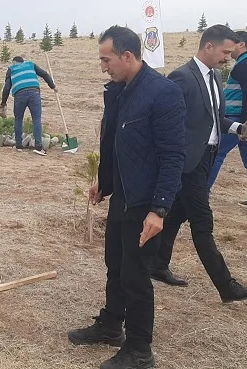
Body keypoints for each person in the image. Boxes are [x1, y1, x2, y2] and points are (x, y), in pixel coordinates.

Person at [67, 26, 186, 369]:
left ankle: (139, 350)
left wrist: (159, 209)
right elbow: (116, 144)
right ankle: (110, 325)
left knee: (135, 275)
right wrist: (105, 183)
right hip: (123, 196)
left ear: (128, 56)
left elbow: (173, 156)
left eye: (107, 60)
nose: (103, 66)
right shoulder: (120, 91)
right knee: (116, 264)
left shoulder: (162, 93)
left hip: (145, 202)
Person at [152, 25, 247, 303]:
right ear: (208, 47)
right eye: (225, 52)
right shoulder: (182, 77)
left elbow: (213, 118)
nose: (228, 57)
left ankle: (157, 264)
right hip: (186, 162)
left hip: (205, 158)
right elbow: (169, 120)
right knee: (202, 222)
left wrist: (238, 128)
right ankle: (227, 286)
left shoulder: (215, 76)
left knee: (177, 213)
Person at [207, 31, 247, 210]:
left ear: (241, 44)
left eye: (233, 44)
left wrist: (243, 124)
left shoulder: (245, 64)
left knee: (217, 153)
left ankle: (202, 192)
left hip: (238, 119)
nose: (229, 49)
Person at [0, 56, 57, 156]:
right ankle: (38, 147)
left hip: (19, 95)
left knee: (18, 119)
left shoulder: (11, 69)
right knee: (36, 119)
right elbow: (44, 74)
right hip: (34, 93)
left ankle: (19, 146)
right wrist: (53, 86)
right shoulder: (31, 64)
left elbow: (7, 87)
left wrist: (3, 103)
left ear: (14, 62)